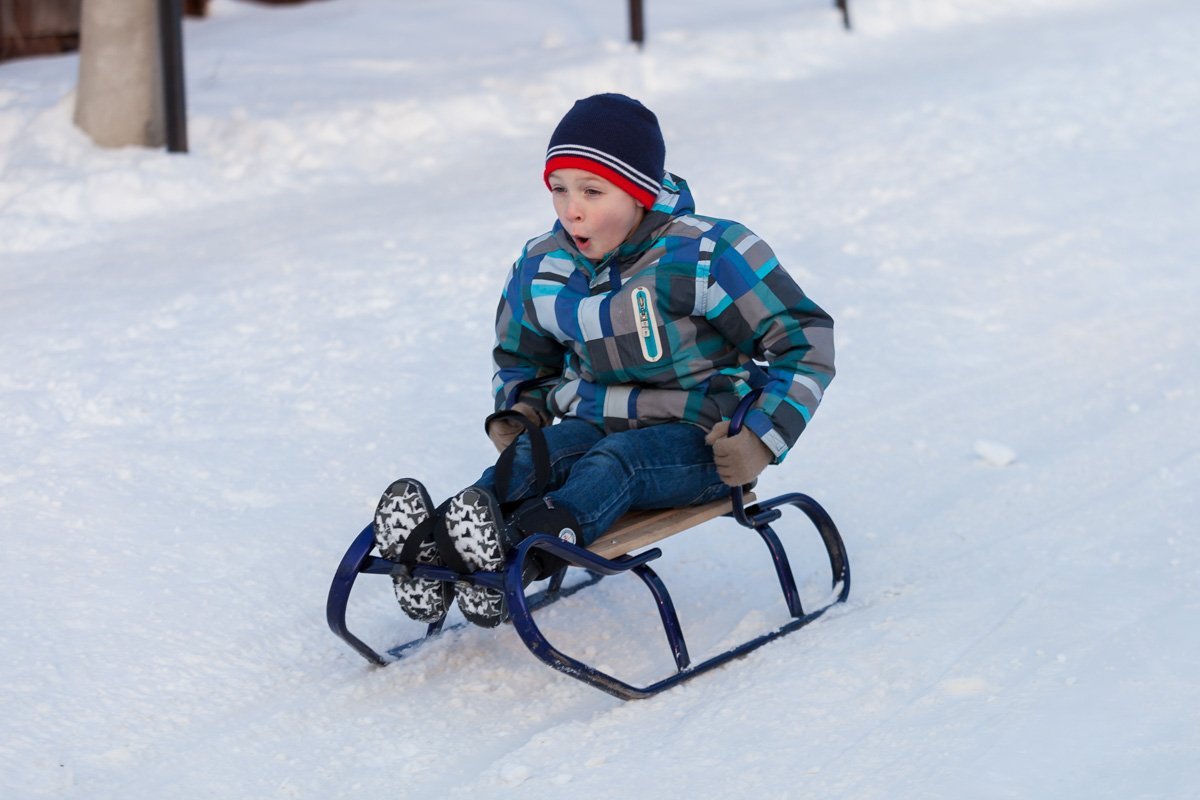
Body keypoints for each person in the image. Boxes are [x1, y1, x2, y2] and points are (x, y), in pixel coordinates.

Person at [373, 93, 835, 629]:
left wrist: (760, 436)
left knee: (617, 460)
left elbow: (804, 340)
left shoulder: (708, 253)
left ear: (640, 192)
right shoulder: (541, 263)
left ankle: (522, 551)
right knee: (538, 455)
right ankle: (438, 545)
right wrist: (521, 410)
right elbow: (522, 356)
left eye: (593, 191)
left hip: (702, 439)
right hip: (593, 419)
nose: (573, 209)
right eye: (559, 190)